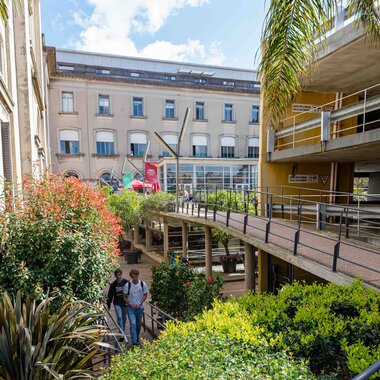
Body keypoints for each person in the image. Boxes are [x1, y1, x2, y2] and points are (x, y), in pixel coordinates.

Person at [123, 269, 148, 347]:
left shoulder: (142, 284)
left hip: (140, 308)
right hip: (131, 308)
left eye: (136, 276)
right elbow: (124, 297)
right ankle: (134, 341)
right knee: (133, 324)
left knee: (138, 324)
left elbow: (145, 295)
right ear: (131, 276)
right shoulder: (128, 285)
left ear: (138, 275)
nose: (135, 278)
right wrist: (130, 304)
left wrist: (140, 303)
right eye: (133, 277)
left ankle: (136, 337)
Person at [107, 268, 129, 335]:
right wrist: (109, 304)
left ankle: (122, 328)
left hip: (125, 303)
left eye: (119, 275)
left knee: (124, 318)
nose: (118, 276)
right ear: (115, 276)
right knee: (119, 317)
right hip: (117, 302)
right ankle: (121, 333)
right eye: (117, 275)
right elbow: (110, 295)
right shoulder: (113, 284)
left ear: (122, 275)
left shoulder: (127, 282)